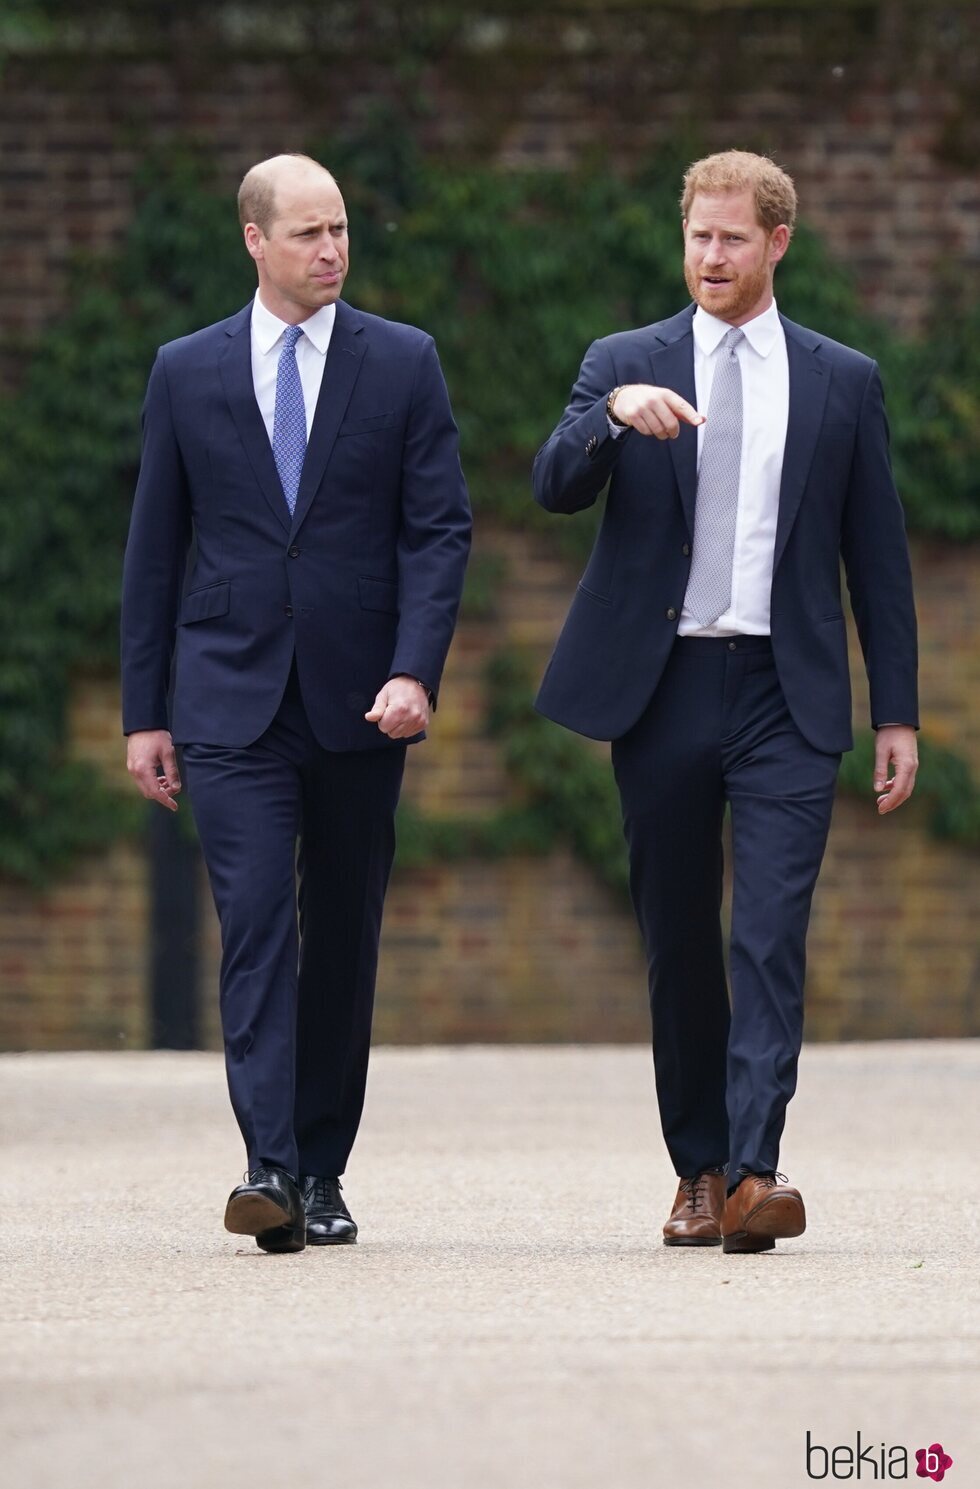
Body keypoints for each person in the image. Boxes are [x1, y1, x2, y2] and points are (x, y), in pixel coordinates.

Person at [532, 150, 918, 1254]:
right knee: (677, 940)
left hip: (784, 691)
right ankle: (694, 1168)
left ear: (776, 243)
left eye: (732, 238)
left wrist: (895, 714)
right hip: (661, 689)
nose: (710, 255)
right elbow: (552, 484)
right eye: (697, 235)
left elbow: (877, 560)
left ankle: (755, 1170)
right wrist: (608, 413)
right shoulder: (625, 359)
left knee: (769, 932)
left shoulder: (840, 378)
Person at [121, 154, 471, 1252]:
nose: (331, 249)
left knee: (342, 939)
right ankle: (266, 1164)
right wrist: (146, 712)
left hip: (362, 700)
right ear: (253, 240)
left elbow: (438, 530)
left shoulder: (402, 362)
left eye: (341, 230)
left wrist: (415, 668)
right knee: (259, 924)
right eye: (308, 232)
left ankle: (323, 1169)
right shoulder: (185, 371)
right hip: (227, 702)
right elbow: (153, 550)